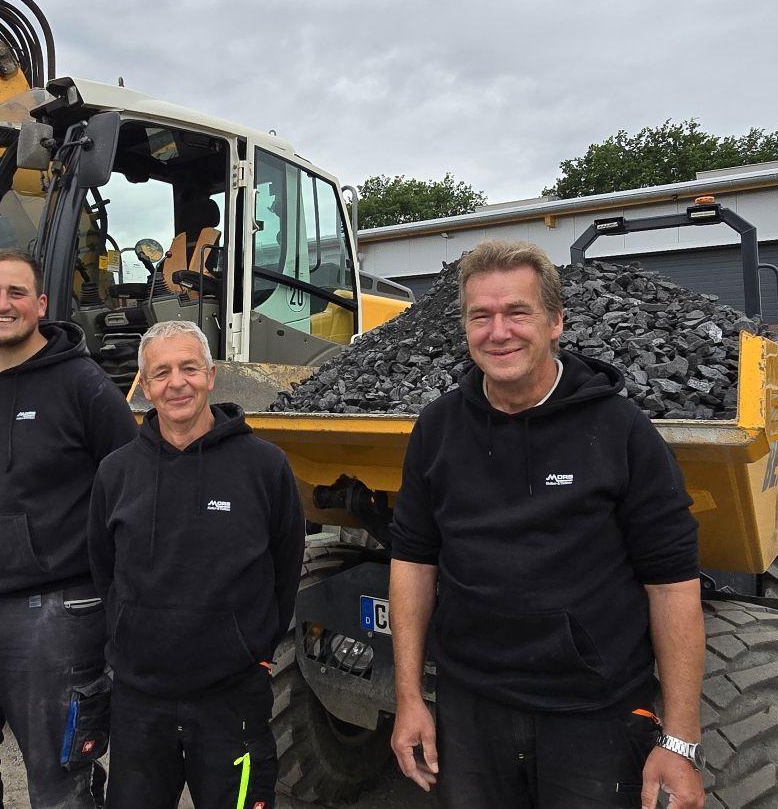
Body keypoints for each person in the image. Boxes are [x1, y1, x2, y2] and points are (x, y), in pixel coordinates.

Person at [386, 240, 707, 808]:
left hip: (595, 712)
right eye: (480, 316)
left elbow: (672, 584)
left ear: (556, 322)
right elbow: (413, 562)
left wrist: (679, 742)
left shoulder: (619, 430)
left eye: (517, 312)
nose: (498, 332)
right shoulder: (437, 430)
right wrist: (410, 697)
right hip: (470, 707)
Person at [0, 248, 140, 808]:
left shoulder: (84, 386)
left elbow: (127, 491)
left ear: (41, 304)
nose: (3, 304)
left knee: (61, 787)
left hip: (51, 615)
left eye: (17, 293)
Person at [88, 320, 306, 809]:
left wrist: (257, 648)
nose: (177, 382)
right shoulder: (116, 472)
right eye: (161, 372)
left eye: (189, 367)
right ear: (143, 387)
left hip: (232, 701)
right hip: (140, 702)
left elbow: (286, 564)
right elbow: (104, 571)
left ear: (211, 375)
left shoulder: (265, 466)